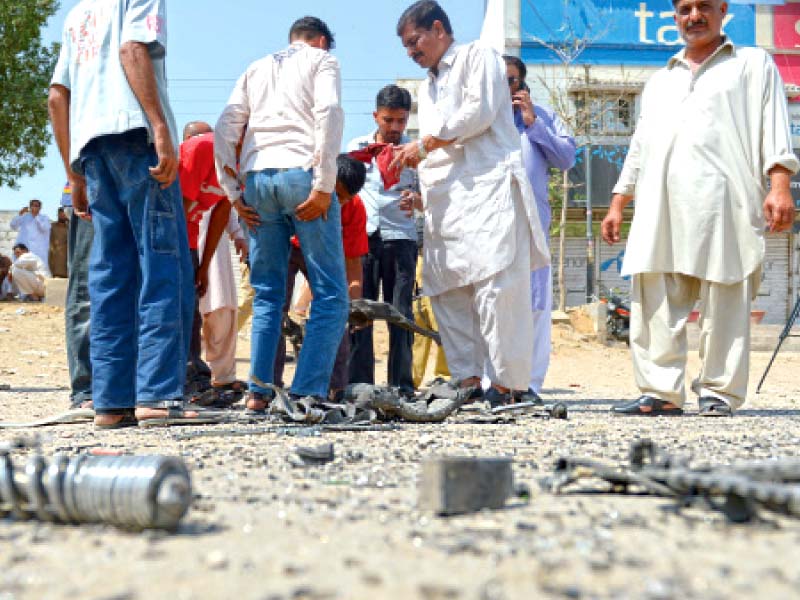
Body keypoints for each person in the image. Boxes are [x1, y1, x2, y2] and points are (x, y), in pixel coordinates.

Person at [601, 0, 799, 417]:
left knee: (726, 294)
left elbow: (774, 124)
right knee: (654, 295)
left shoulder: (751, 63)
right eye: (685, 8)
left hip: (725, 200)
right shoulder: (660, 80)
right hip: (660, 203)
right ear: (675, 16)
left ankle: (719, 392)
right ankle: (660, 392)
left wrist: (780, 183)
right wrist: (619, 200)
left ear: (722, 10)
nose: (694, 16)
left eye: (703, 6)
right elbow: (640, 145)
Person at [49, 0, 206, 428]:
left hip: (92, 152)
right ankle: (157, 394)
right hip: (136, 139)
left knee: (109, 275)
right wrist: (159, 125)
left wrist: (73, 175)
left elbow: (56, 96)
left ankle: (110, 401)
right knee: (163, 267)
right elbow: (132, 49)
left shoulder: (78, 14)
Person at [391, 1, 550, 406]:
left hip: (488, 188)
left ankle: (508, 385)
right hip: (448, 199)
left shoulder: (478, 56)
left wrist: (424, 144)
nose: (411, 51)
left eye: (415, 41)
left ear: (439, 28)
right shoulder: (427, 86)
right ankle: (466, 379)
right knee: (448, 291)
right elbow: (437, 146)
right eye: (406, 46)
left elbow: (476, 114)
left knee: (497, 289)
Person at [215, 16, 348, 412]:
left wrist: (233, 191)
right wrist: (324, 184)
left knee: (269, 293)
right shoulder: (322, 61)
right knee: (329, 293)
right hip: (301, 175)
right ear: (321, 41)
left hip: (257, 181)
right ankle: (307, 391)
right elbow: (329, 110)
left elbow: (226, 125)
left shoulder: (256, 67)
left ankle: (258, 393)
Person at [503, 55, 576, 400]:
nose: (505, 87)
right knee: (494, 303)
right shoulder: (481, 120)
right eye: (498, 80)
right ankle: (496, 384)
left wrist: (533, 123)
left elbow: (566, 159)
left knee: (534, 304)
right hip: (491, 228)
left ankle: (530, 385)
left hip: (533, 228)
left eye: (511, 81)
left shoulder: (543, 116)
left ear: (521, 84)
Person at [274, 154, 368, 399]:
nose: (337, 204)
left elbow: (353, 263)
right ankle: (266, 388)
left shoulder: (355, 210)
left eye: (344, 200)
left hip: (322, 251)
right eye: (334, 196)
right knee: (275, 312)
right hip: (286, 246)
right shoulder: (300, 191)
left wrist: (355, 304)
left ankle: (333, 387)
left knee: (336, 310)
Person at [347, 85, 418, 395]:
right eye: (388, 120)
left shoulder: (415, 153)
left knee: (400, 312)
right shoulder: (355, 148)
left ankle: (401, 385)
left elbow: (434, 194)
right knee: (360, 311)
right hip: (361, 239)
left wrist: (418, 199)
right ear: (376, 116)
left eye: (400, 121)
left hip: (400, 238)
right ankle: (359, 384)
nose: (394, 128)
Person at [179, 121, 234, 396]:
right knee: (174, 306)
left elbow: (221, 213)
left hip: (189, 239)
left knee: (190, 308)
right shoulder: (203, 148)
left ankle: (194, 378)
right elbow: (179, 207)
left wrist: (202, 267)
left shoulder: (245, 161)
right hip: (165, 235)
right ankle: (181, 380)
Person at [197, 203, 248, 401]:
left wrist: (237, 234)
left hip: (215, 245)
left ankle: (223, 377)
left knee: (222, 309)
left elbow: (223, 204)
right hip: (186, 238)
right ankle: (191, 376)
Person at [11, 199, 51, 276]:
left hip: (38, 251)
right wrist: (20, 214)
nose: (34, 208)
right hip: (24, 249)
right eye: (32, 206)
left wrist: (36, 217)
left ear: (40, 208)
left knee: (39, 272)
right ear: (30, 207)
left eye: (36, 206)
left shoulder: (44, 218)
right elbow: (13, 225)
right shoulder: (24, 217)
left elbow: (45, 228)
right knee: (21, 270)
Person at [49, 207, 69, 278]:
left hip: (67, 258)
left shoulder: (70, 227)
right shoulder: (51, 226)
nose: (62, 216)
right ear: (58, 215)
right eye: (61, 214)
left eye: (64, 214)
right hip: (54, 258)